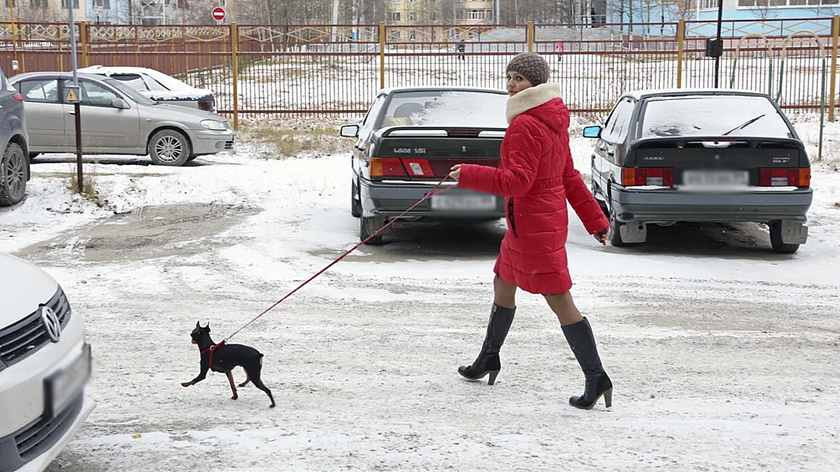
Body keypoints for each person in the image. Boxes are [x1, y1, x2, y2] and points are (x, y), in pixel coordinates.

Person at [448, 52, 613, 410]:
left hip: (533, 225)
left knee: (559, 299)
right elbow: (568, 177)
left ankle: (596, 377)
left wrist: (469, 175)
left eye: (519, 79)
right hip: (532, 224)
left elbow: (517, 182)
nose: (510, 84)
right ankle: (488, 358)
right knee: (502, 282)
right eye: (508, 77)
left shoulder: (526, 124)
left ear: (534, 84)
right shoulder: (551, 121)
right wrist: (595, 219)